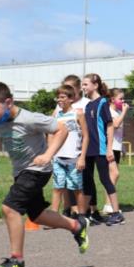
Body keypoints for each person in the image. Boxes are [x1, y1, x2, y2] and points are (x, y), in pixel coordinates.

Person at [0, 82, 90, 267]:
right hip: (21, 172)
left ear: (8, 102)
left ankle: (16, 259)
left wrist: (48, 155)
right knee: (37, 215)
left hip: (38, 170)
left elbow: (62, 129)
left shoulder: (29, 118)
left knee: (10, 208)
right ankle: (76, 225)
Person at [77, 73, 125, 226]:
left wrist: (109, 149)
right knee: (87, 181)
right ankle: (85, 214)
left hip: (100, 148)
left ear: (95, 85)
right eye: (82, 84)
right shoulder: (88, 105)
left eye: (85, 84)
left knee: (105, 179)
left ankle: (116, 213)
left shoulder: (102, 102)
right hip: (88, 149)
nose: (83, 87)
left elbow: (110, 126)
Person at [48, 85, 88, 220]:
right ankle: (54, 218)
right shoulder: (56, 115)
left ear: (71, 99)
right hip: (58, 159)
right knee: (57, 188)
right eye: (58, 97)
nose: (59, 100)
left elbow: (86, 136)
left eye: (63, 97)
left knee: (76, 189)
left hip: (74, 159)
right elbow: (51, 134)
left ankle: (82, 216)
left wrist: (82, 157)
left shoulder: (78, 113)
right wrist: (50, 154)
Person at [103, 88, 128, 214]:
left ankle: (109, 204)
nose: (123, 101)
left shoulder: (118, 111)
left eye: (123, 98)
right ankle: (108, 204)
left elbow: (119, 133)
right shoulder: (109, 111)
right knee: (114, 174)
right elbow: (115, 125)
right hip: (110, 147)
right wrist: (124, 112)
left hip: (117, 147)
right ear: (112, 99)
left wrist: (123, 147)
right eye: (120, 98)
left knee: (112, 175)